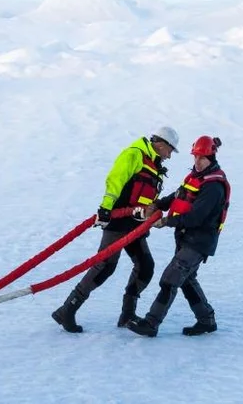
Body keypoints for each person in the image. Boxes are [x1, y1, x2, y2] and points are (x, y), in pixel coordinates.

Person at [51, 126, 179, 333]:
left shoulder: (154, 165)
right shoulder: (134, 155)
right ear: (161, 144)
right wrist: (105, 209)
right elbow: (115, 181)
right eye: (170, 151)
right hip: (119, 222)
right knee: (104, 266)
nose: (170, 156)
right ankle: (68, 309)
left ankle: (127, 314)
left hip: (135, 225)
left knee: (145, 266)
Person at [128, 135, 231, 337]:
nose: (197, 162)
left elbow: (195, 217)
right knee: (187, 280)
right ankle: (206, 320)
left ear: (211, 157)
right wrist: (158, 204)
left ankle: (151, 323)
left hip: (199, 242)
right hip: (188, 239)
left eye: (202, 158)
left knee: (169, 280)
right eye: (195, 157)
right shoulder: (196, 177)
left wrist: (166, 221)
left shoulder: (213, 187)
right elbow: (178, 195)